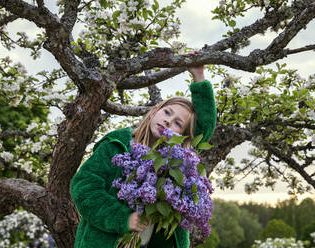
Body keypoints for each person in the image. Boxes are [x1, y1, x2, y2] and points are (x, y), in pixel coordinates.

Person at [70, 53, 217, 248]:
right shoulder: (118, 145)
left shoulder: (176, 158)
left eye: (177, 123)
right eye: (167, 112)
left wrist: (199, 77)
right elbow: (84, 187)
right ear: (155, 110)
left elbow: (205, 126)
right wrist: (123, 218)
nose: (168, 121)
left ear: (183, 136)